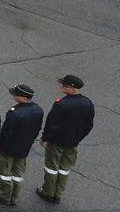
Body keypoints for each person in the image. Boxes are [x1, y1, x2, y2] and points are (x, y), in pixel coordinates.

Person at [37, 74, 94, 203]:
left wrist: (45, 138)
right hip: (73, 142)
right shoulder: (87, 103)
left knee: (51, 167)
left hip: (56, 142)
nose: (62, 87)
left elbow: (51, 124)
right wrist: (78, 137)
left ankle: (47, 192)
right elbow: (89, 125)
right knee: (64, 168)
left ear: (72, 88)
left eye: (65, 85)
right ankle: (58, 193)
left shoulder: (61, 104)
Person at [0, 83, 43, 206]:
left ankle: (4, 196)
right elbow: (37, 129)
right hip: (24, 148)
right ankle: (14, 196)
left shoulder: (15, 112)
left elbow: (6, 131)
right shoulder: (38, 110)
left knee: (4, 172)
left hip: (9, 148)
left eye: (16, 94)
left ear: (23, 97)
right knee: (18, 173)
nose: (14, 96)